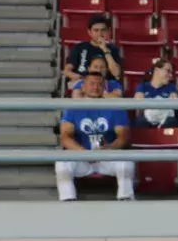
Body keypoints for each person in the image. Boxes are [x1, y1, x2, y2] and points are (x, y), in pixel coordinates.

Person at [56, 73, 135, 201]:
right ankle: (68, 200)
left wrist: (109, 149)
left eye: (99, 84)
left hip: (107, 156)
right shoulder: (72, 107)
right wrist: (84, 153)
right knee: (62, 162)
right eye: (92, 83)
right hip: (82, 156)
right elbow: (65, 137)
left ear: (104, 87)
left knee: (126, 161)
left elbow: (123, 136)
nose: (95, 87)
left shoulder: (115, 107)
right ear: (83, 87)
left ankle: (125, 199)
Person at [65, 14, 123, 85]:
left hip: (105, 86)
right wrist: (76, 77)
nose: (100, 33)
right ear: (89, 32)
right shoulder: (79, 48)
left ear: (107, 32)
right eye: (96, 30)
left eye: (103, 30)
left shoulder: (113, 49)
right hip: (83, 84)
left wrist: (105, 49)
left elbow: (116, 73)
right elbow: (67, 70)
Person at [134, 57, 178, 126]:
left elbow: (174, 106)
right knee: (140, 122)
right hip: (147, 121)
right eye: (168, 71)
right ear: (156, 70)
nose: (171, 75)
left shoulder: (171, 87)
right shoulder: (143, 86)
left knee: (172, 122)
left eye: (171, 73)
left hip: (165, 121)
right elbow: (138, 109)